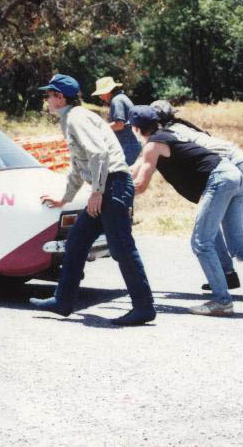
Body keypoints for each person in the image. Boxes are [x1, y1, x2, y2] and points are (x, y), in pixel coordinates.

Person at [129, 105, 243, 316]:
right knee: (240, 247)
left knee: (201, 242)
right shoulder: (165, 136)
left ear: (136, 128)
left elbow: (140, 185)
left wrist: (114, 196)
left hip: (220, 180)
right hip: (232, 174)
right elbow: (135, 168)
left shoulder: (154, 144)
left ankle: (222, 301)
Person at [28, 74, 155, 326]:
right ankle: (62, 301)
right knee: (76, 242)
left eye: (49, 95)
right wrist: (64, 199)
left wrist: (97, 191)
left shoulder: (76, 118)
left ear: (60, 97)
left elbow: (98, 154)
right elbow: (78, 166)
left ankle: (143, 307)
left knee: (121, 248)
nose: (47, 100)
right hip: (107, 185)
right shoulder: (70, 120)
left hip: (113, 185)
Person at [91, 76, 142, 165]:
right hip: (130, 144)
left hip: (128, 145)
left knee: (124, 174)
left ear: (108, 91)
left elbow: (119, 125)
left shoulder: (117, 100)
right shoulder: (121, 97)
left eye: (101, 94)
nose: (100, 97)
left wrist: (98, 128)